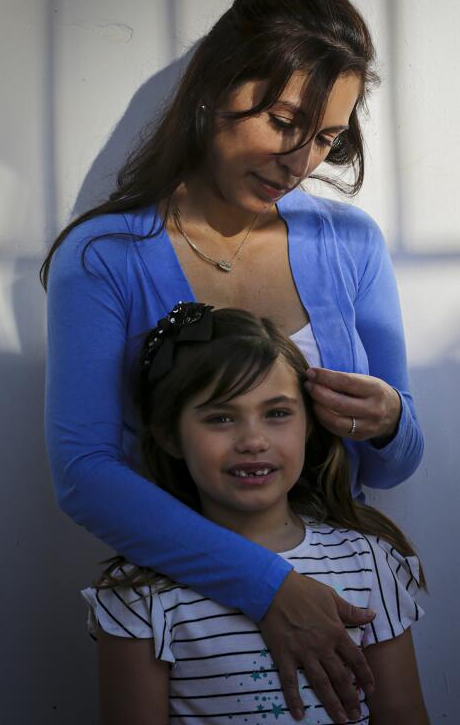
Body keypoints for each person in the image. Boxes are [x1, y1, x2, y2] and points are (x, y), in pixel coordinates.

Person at [43, 0, 424, 722]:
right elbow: (83, 474)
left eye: (326, 137)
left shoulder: (350, 243)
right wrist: (271, 587)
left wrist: (389, 420)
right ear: (217, 88)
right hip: (189, 605)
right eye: (285, 121)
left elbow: (394, 464)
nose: (301, 161)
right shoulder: (106, 257)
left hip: (345, 603)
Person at [81, 304, 428, 724]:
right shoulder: (138, 594)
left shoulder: (369, 562)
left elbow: (403, 714)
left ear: (309, 425)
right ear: (171, 436)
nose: (253, 440)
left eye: (277, 413)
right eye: (221, 417)